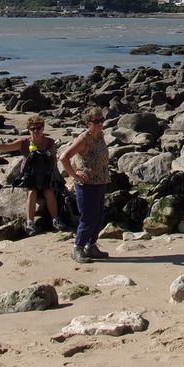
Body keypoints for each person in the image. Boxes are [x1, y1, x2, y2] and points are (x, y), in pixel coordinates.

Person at [0, 115, 69, 235]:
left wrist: (56, 177)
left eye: (38, 128)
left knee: (48, 192)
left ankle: (56, 219)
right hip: (30, 176)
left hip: (45, 174)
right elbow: (6, 147)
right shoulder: (24, 142)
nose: (36, 131)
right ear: (29, 130)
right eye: (33, 129)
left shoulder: (49, 143)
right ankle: (30, 222)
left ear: (43, 128)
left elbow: (54, 161)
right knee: (32, 192)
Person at [60, 106, 110, 263]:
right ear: (88, 123)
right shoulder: (83, 139)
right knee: (88, 217)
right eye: (96, 121)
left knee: (99, 215)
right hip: (86, 184)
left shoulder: (100, 135)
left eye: (101, 120)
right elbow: (63, 157)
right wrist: (74, 174)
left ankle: (91, 246)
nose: (100, 124)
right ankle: (78, 248)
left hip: (100, 181)